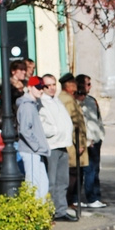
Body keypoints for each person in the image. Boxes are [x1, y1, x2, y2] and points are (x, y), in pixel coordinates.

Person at [37, 74, 76, 221]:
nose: (52, 88)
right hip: (52, 145)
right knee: (51, 182)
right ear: (43, 87)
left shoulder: (57, 100)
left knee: (63, 181)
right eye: (48, 85)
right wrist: (54, 131)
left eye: (54, 84)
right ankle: (50, 211)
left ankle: (61, 210)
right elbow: (42, 123)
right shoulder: (42, 102)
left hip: (62, 144)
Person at [15, 76, 50, 200]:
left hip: (35, 150)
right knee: (33, 183)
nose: (40, 90)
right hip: (30, 150)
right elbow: (25, 130)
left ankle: (41, 211)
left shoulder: (32, 104)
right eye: (38, 87)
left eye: (42, 88)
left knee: (42, 182)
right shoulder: (27, 106)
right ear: (29, 87)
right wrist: (36, 145)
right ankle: (33, 212)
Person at [58, 73, 89, 211]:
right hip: (72, 143)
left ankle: (67, 201)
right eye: (74, 84)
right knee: (73, 174)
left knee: (69, 174)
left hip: (67, 142)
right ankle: (68, 201)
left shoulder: (60, 98)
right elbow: (74, 123)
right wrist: (81, 143)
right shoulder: (69, 101)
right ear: (69, 86)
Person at [76, 74, 107, 210]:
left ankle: (96, 196)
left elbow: (97, 119)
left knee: (95, 170)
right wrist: (87, 140)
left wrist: (100, 135)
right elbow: (82, 123)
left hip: (96, 139)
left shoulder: (91, 100)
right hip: (87, 141)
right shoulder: (77, 101)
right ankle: (90, 197)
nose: (90, 87)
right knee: (87, 171)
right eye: (88, 84)